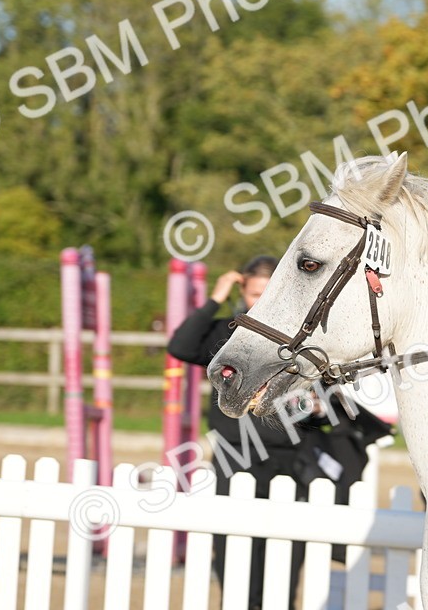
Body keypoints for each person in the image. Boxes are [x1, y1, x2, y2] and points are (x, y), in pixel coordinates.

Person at [168, 255, 391, 610]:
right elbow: (181, 346)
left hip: (293, 459)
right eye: (254, 293)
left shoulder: (296, 341)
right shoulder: (227, 335)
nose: (260, 301)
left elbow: (326, 406)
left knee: (287, 555)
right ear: (242, 292)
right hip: (236, 458)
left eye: (266, 292)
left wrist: (318, 410)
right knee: (234, 556)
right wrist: (217, 295)